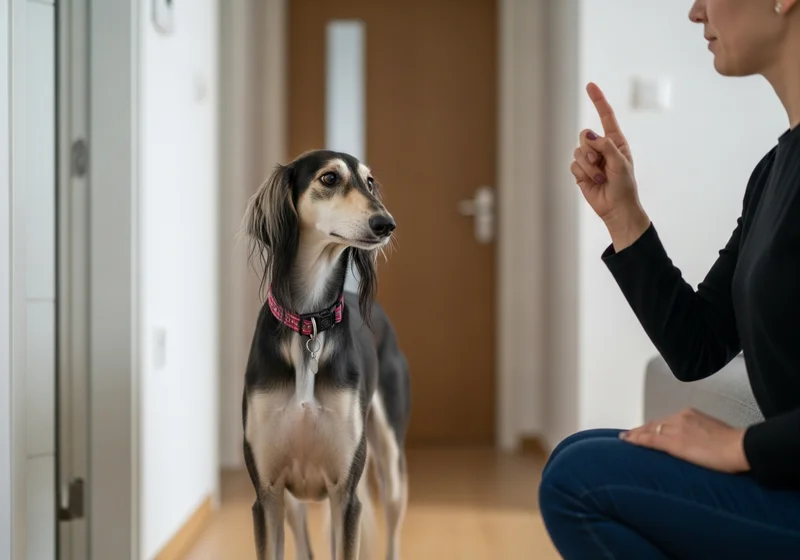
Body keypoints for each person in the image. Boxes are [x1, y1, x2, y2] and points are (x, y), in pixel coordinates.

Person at [538, 0, 800, 558]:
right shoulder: (775, 172)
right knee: (575, 454)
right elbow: (698, 346)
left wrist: (741, 446)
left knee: (581, 481)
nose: (694, 11)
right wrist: (624, 215)